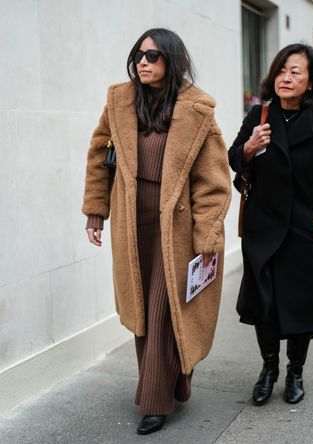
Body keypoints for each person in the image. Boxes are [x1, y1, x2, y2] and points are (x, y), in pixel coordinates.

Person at [82, 28, 231, 434]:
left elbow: (213, 183)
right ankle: (174, 379)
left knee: (165, 308)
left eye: (152, 56)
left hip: (176, 227)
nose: (142, 63)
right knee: (144, 311)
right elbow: (100, 155)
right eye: (138, 56)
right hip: (132, 224)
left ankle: (154, 401)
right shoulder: (119, 101)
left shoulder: (198, 110)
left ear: (172, 59)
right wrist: (96, 211)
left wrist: (208, 236)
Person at [229, 43, 313, 406]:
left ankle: (295, 372)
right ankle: (269, 370)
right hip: (263, 226)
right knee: (264, 304)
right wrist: (250, 148)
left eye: (295, 71)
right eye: (282, 70)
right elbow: (235, 160)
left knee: (300, 304)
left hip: (302, 228)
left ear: (311, 82)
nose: (286, 77)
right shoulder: (259, 115)